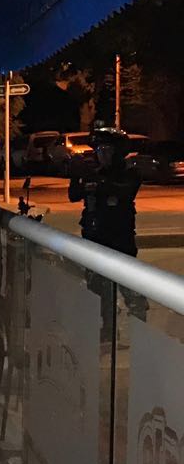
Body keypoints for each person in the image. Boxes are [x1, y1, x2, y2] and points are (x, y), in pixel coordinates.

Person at [68, 125, 148, 329]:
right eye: (99, 150)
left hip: (120, 241)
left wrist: (96, 181)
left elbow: (124, 191)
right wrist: (76, 174)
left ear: (118, 152)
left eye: (107, 150)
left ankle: (141, 331)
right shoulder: (94, 173)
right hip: (94, 239)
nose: (101, 155)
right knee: (97, 291)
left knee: (130, 287)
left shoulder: (129, 174)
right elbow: (74, 195)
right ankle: (106, 329)